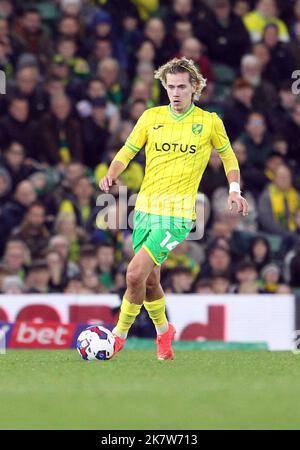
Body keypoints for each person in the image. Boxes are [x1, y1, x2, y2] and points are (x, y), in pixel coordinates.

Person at [99, 57, 249, 360]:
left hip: (178, 215)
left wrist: (234, 191)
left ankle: (117, 336)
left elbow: (229, 157)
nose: (176, 93)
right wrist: (113, 171)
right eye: (171, 87)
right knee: (149, 280)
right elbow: (128, 150)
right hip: (145, 209)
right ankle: (164, 332)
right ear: (164, 88)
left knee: (133, 274)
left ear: (194, 87)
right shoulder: (150, 117)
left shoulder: (209, 122)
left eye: (182, 87)